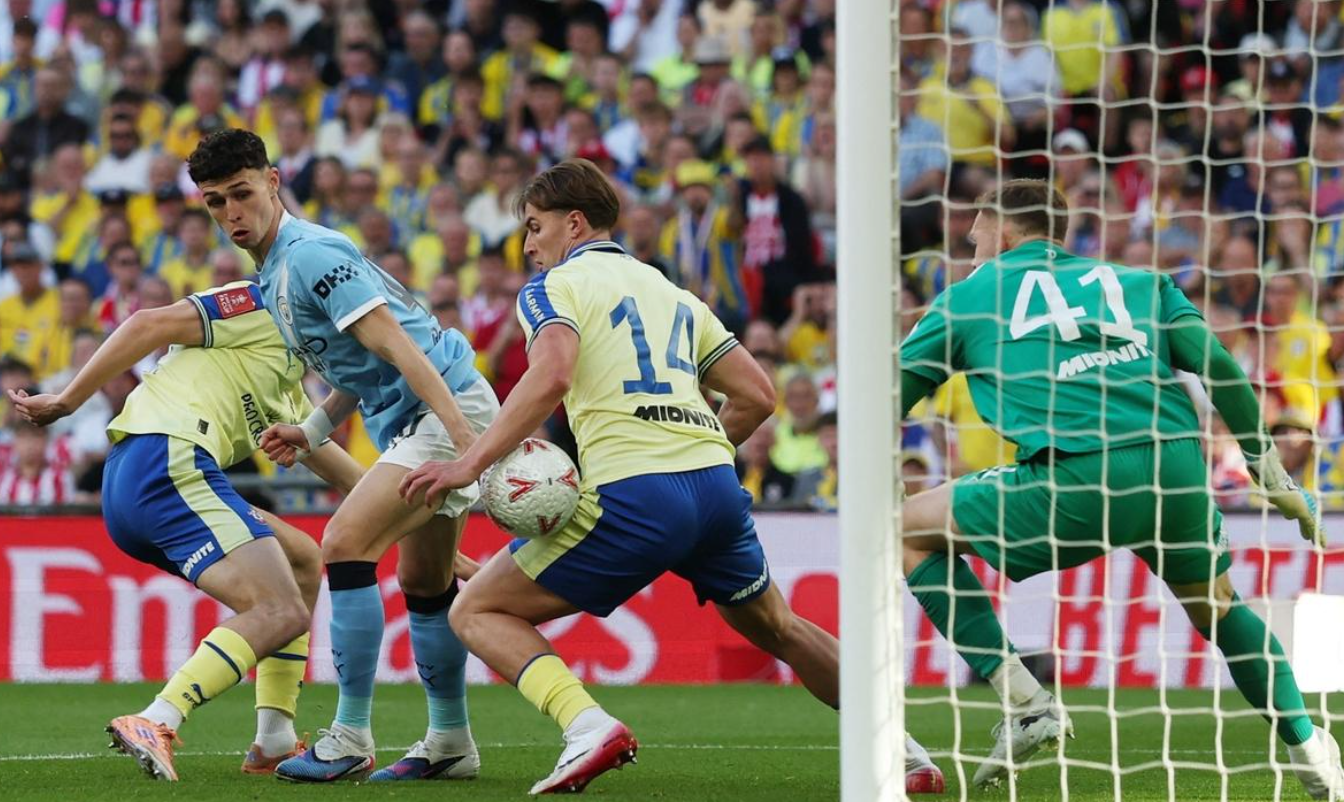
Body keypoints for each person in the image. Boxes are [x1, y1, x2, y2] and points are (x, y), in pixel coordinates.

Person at [397, 159, 945, 796]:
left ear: (574, 224)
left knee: (476, 610)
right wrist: (693, 451)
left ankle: (586, 727)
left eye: (535, 226)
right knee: (779, 626)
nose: (528, 245)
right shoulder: (673, 293)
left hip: (635, 491)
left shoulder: (553, 288)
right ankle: (905, 753)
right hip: (713, 487)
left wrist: (469, 463)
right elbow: (758, 395)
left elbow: (552, 374)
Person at [897, 178, 1344, 798]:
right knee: (1220, 608)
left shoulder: (969, 298)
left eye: (975, 238)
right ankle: (1307, 746)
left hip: (1076, 476)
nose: (971, 251)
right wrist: (1273, 477)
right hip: (1174, 466)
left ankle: (1025, 702)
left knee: (904, 530)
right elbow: (1218, 367)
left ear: (1003, 228)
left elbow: (887, 396)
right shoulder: (1138, 282)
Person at [186, 129, 498, 784]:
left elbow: (400, 347)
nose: (231, 213)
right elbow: (359, 367)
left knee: (345, 543)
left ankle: (350, 735)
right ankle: (451, 742)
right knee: (424, 582)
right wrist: (314, 427)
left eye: (242, 193)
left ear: (274, 182)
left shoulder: (309, 255)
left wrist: (464, 440)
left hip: (443, 409)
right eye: (216, 202)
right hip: (420, 417)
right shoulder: (276, 269)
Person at [9, 282, 366, 781]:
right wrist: (68, 401)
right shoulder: (263, 303)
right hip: (168, 458)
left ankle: (274, 738)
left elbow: (356, 482)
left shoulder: (289, 390)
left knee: (302, 558)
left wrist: (433, 542)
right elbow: (147, 324)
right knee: (280, 610)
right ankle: (158, 717)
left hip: (139, 478)